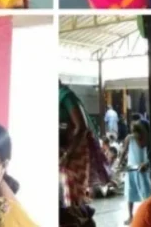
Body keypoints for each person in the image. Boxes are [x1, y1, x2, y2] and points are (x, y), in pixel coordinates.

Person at [59, 82, 111, 211]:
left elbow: (82, 127)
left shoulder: (66, 96)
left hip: (73, 154)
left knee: (73, 200)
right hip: (64, 152)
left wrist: (67, 155)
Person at [121, 122, 151, 225]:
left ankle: (147, 215)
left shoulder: (147, 139)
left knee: (146, 194)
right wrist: (120, 163)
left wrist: (146, 164)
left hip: (142, 170)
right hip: (131, 170)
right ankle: (130, 216)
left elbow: (149, 154)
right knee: (130, 194)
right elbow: (124, 151)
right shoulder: (130, 138)